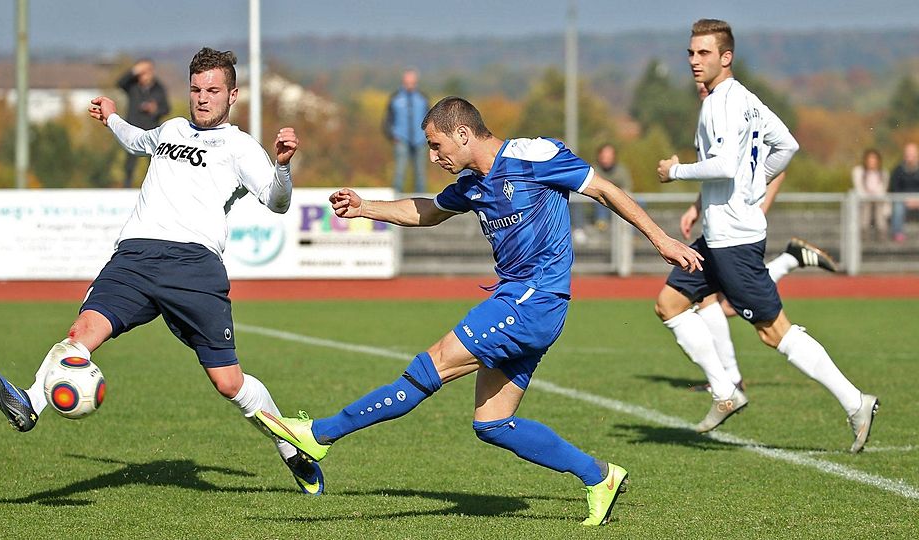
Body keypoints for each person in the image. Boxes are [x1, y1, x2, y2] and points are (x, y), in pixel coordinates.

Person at [255, 96, 702, 526]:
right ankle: (600, 476)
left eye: (436, 145)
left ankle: (320, 435)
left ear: (463, 133)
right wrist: (365, 207)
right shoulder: (472, 183)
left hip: (534, 300)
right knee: (492, 423)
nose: (433, 156)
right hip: (521, 303)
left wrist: (660, 240)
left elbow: (604, 190)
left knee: (433, 364)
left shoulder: (534, 155)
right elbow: (428, 212)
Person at [0, 48, 324, 495]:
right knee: (81, 333)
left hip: (194, 267)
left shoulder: (240, 147)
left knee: (229, 383)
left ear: (233, 95)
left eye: (213, 91)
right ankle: (30, 402)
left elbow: (278, 203)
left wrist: (281, 165)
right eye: (196, 89)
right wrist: (112, 119)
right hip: (135, 257)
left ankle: (289, 446)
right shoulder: (173, 128)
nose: (202, 98)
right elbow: (137, 140)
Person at [655, 19, 878, 453]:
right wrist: (751, 185)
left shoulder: (720, 102)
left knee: (774, 332)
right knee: (670, 303)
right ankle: (725, 390)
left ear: (726, 56)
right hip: (720, 235)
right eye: (690, 53)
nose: (694, 61)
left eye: (703, 53)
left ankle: (856, 402)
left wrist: (674, 172)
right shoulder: (748, 101)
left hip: (733, 241)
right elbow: (787, 146)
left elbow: (722, 165)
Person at [117, 59, 170, 188]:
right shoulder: (133, 86)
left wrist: (155, 109)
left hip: (150, 128)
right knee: (130, 161)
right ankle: (127, 186)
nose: (143, 76)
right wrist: (134, 71)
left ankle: (154, 186)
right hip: (133, 126)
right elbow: (120, 83)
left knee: (153, 161)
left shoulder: (159, 88)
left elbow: (166, 108)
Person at [572, 143, 634, 240]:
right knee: (577, 201)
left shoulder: (621, 171)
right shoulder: (592, 169)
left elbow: (626, 190)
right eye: (604, 156)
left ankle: (631, 234)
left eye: (609, 156)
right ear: (599, 156)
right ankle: (581, 230)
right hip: (595, 203)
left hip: (615, 203)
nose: (606, 159)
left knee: (639, 202)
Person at [383, 69, 430, 193]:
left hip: (420, 140)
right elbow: (388, 119)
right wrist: (392, 136)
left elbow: (430, 118)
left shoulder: (422, 98)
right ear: (403, 82)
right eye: (407, 82)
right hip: (401, 139)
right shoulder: (395, 98)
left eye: (412, 82)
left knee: (420, 172)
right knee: (399, 171)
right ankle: (396, 198)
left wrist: (428, 137)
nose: (410, 85)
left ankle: (422, 200)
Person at [851, 148, 890, 241]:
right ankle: (864, 235)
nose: (872, 162)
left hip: (878, 201)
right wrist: (869, 195)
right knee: (866, 210)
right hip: (864, 201)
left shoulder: (883, 173)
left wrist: (873, 195)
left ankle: (882, 235)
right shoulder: (858, 171)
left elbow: (882, 190)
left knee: (880, 213)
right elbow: (859, 188)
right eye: (870, 159)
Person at [889, 142, 919, 243]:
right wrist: (905, 200)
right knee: (898, 207)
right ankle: (897, 234)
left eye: (912, 154)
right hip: (902, 201)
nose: (910, 157)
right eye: (908, 154)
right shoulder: (897, 170)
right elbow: (894, 188)